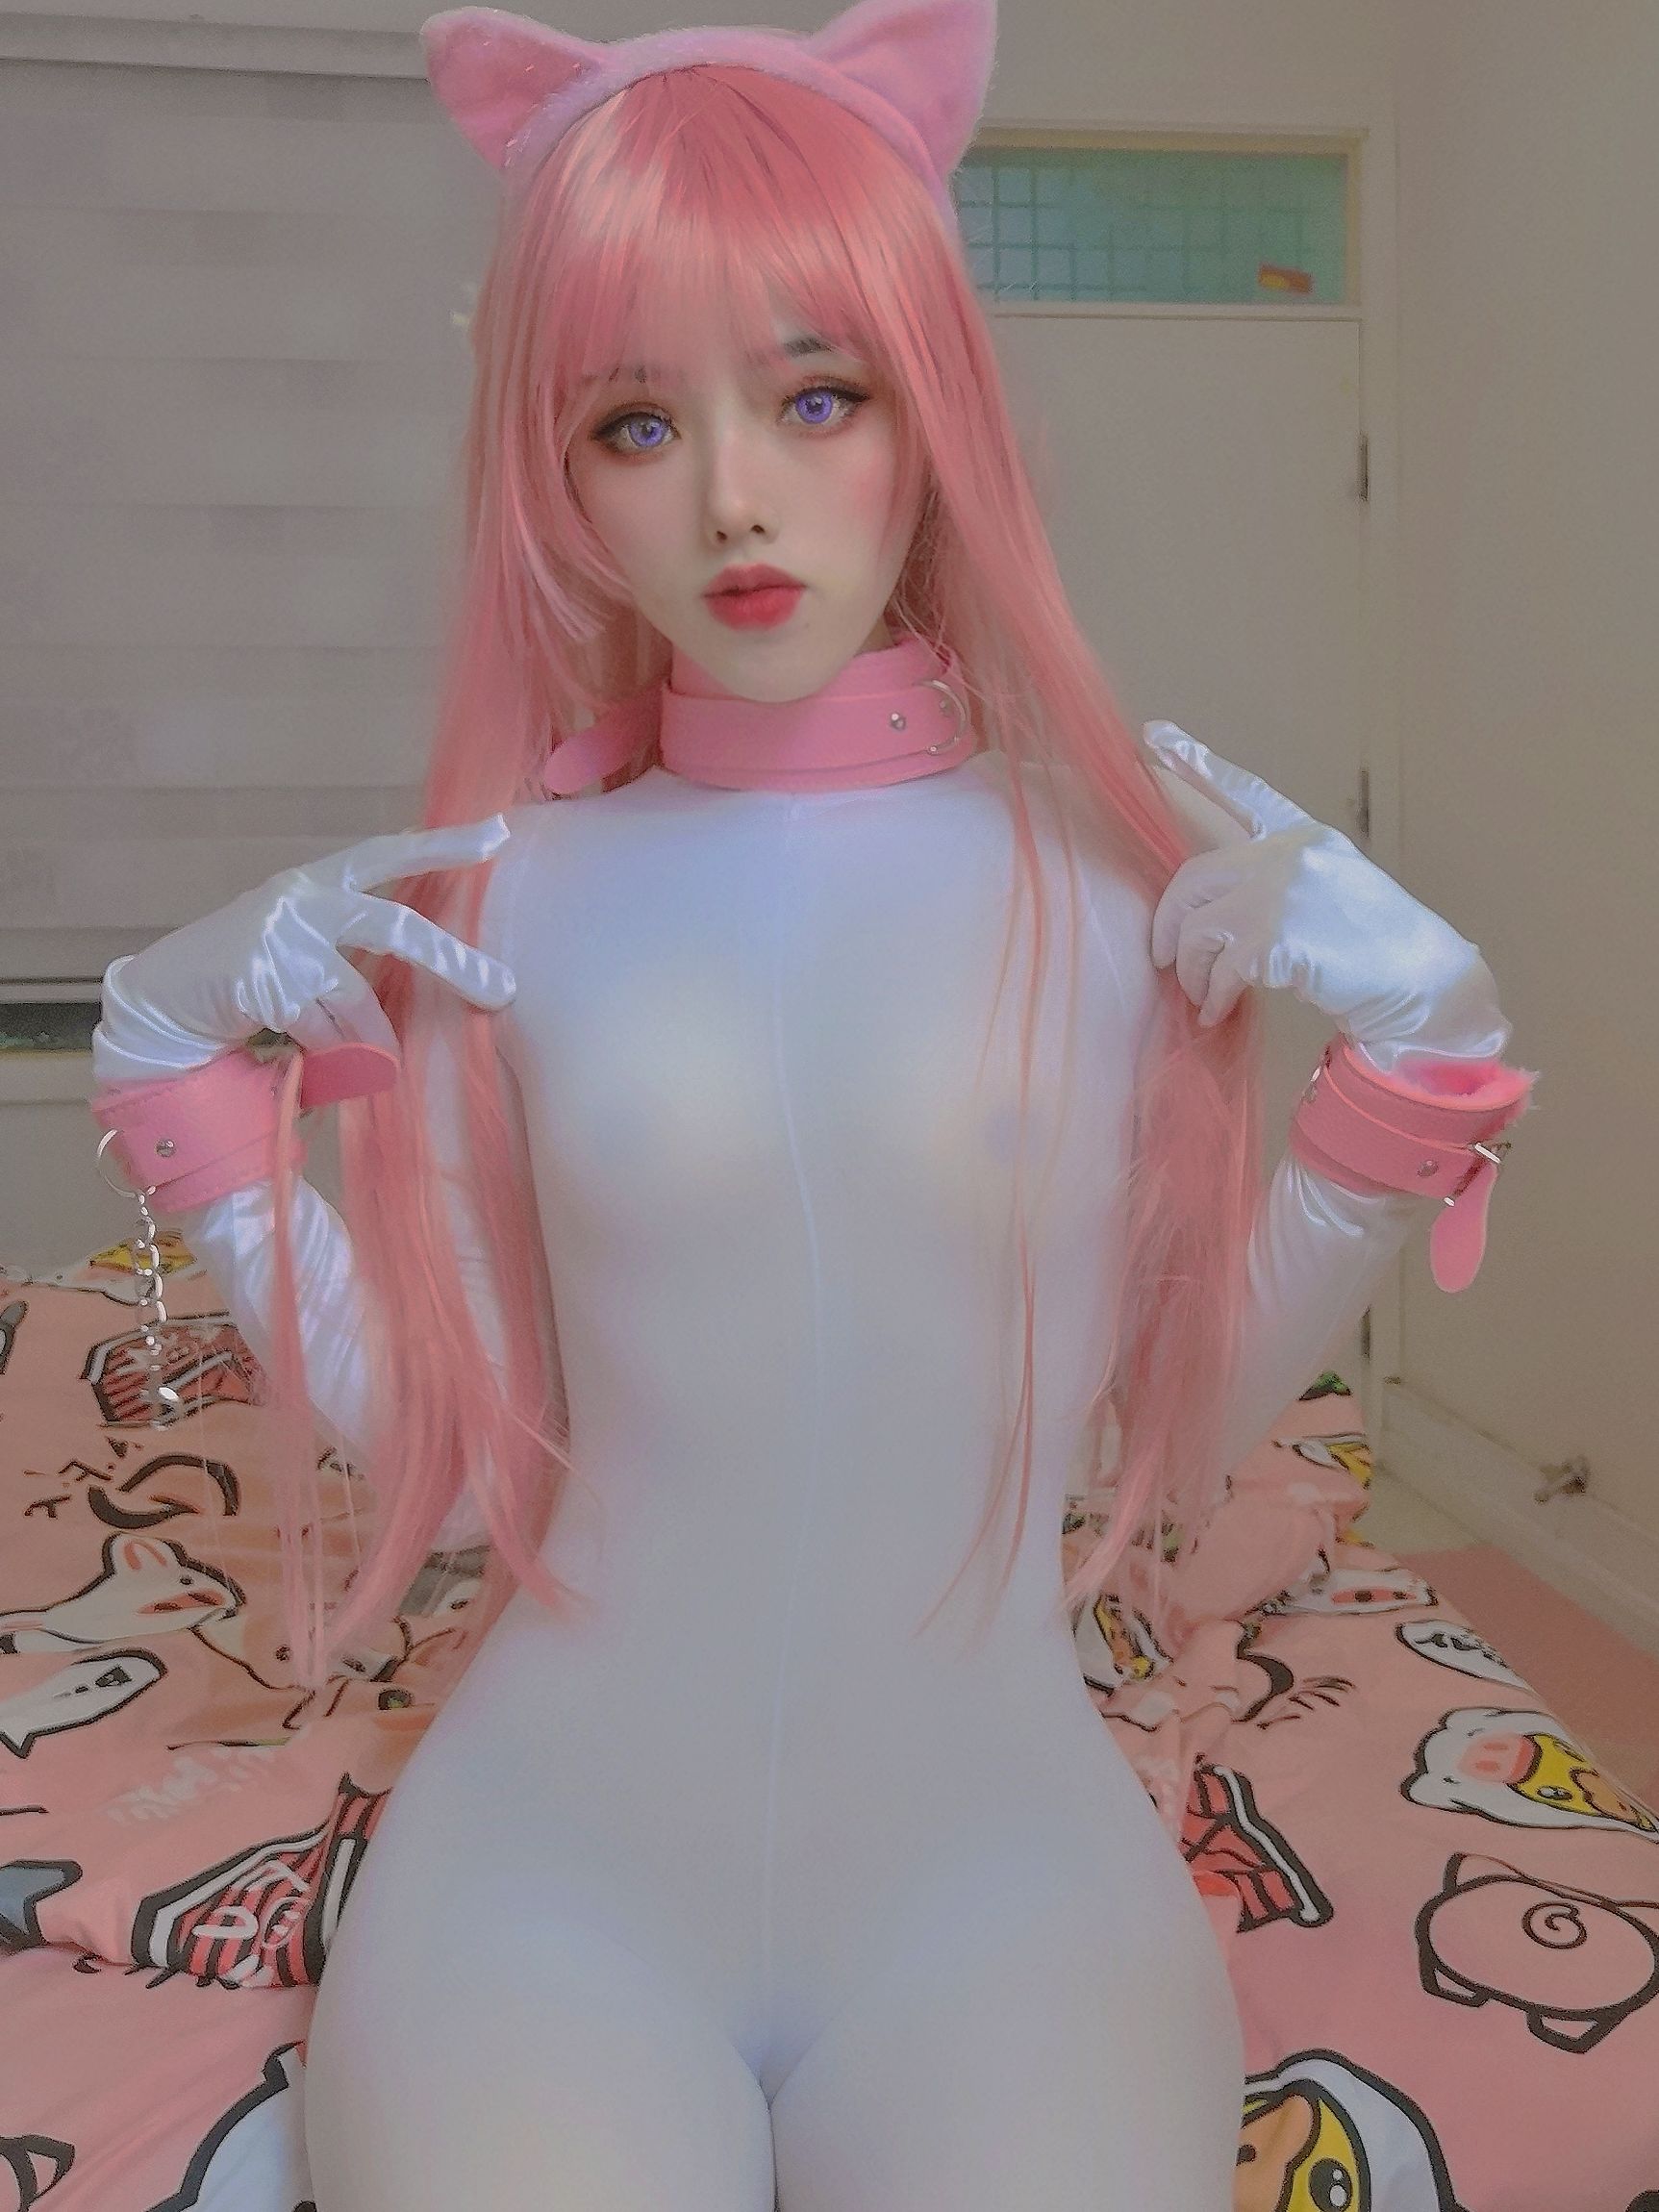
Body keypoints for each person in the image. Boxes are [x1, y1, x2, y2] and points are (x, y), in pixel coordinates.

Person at [87, 0, 1537, 2201]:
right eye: (633, 420)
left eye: (814, 394)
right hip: (547, 1871)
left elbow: (1174, 1437)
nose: (733, 496)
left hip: (997, 1878)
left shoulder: (1112, 898)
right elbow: (447, 1481)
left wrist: (1418, 1064)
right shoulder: (499, 903)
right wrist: (166, 1061)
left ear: (927, 404)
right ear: (552, 471)